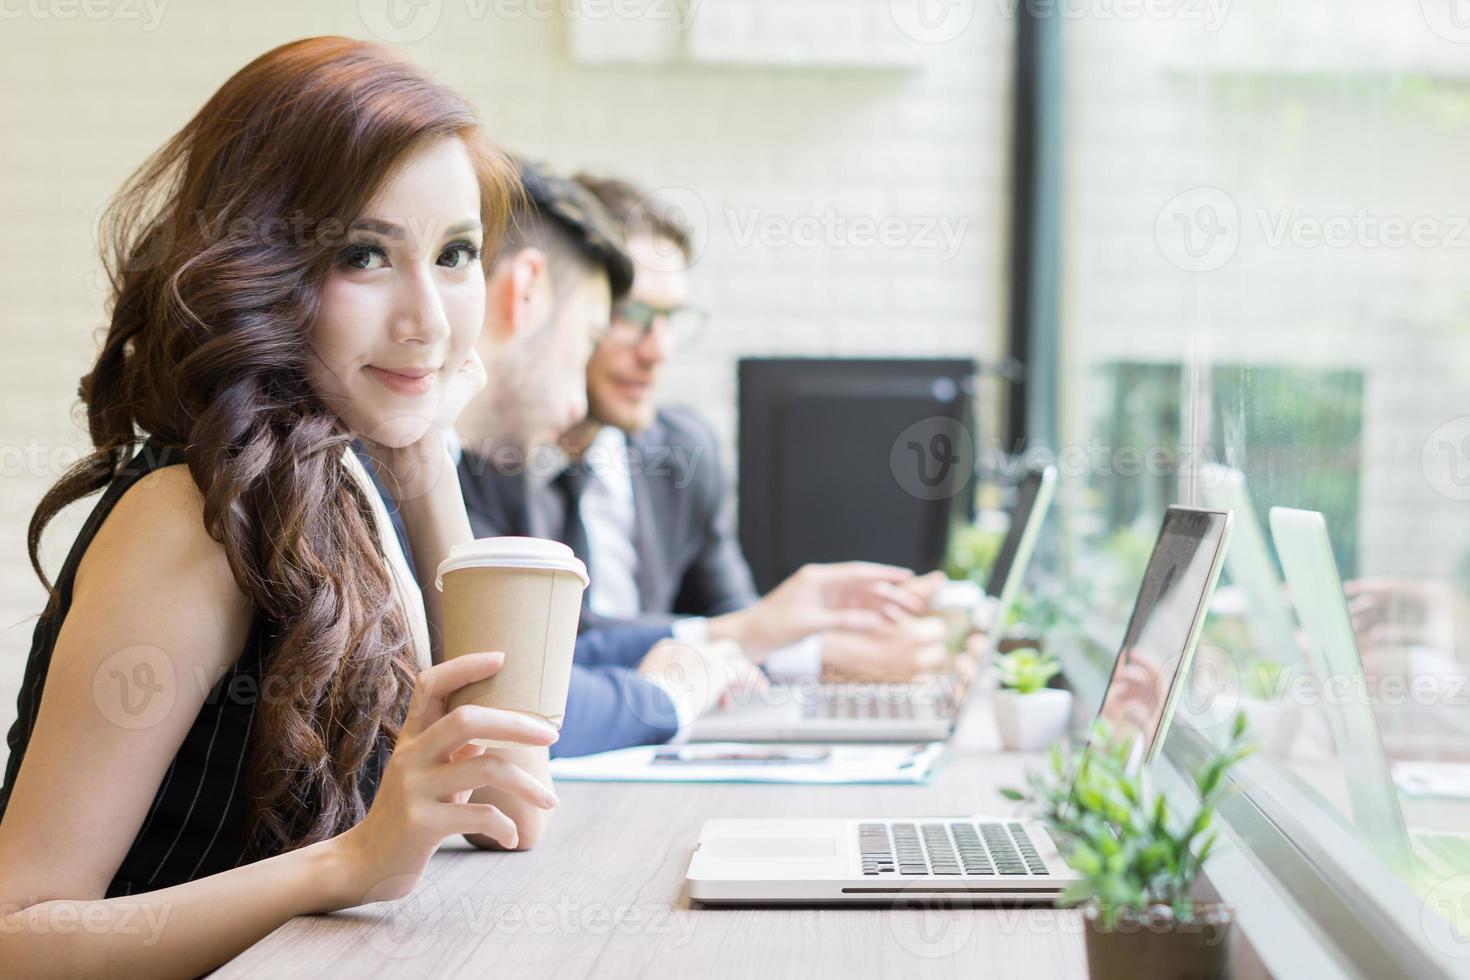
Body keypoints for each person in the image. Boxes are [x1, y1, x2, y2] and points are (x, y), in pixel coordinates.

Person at [0, 38, 559, 977]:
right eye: (365, 255)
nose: (427, 317)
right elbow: (17, 935)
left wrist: (424, 464)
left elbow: (502, 804)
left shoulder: (335, 487)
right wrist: (348, 863)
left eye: (456, 254)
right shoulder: (188, 522)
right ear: (258, 261)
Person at [451, 163, 912, 747]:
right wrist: (736, 647)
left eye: (670, 320)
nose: (657, 352)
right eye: (630, 319)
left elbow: (734, 634)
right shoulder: (482, 446)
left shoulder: (682, 453)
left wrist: (821, 648)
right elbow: (537, 656)